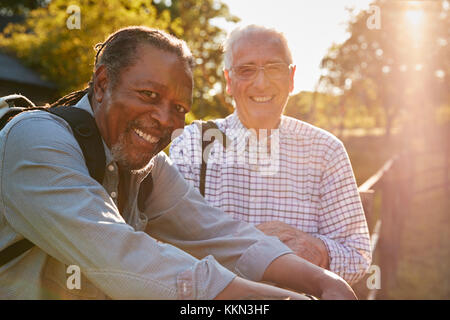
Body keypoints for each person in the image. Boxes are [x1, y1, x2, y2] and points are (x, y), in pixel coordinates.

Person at [0, 26, 356, 300]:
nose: (164, 118)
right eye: (149, 95)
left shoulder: (146, 168)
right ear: (103, 83)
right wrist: (277, 298)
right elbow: (121, 257)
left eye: (179, 109)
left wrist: (323, 280)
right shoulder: (35, 140)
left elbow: (216, 232)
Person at [170, 25, 372, 285]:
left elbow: (358, 257)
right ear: (229, 81)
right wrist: (247, 253)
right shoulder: (193, 143)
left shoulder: (326, 151)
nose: (261, 83)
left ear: (291, 78)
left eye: (274, 68)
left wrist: (316, 249)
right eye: (246, 70)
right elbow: (168, 246)